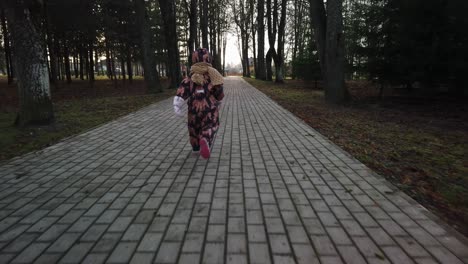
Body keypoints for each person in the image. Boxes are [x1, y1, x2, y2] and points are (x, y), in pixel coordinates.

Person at [173, 48, 224, 159]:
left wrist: (177, 103)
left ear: (194, 60)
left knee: (193, 128)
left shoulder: (190, 77)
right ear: (209, 59)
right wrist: (219, 99)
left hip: (193, 109)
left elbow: (183, 89)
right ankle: (205, 138)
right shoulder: (212, 76)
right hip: (209, 108)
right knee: (211, 124)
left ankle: (196, 147)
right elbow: (219, 90)